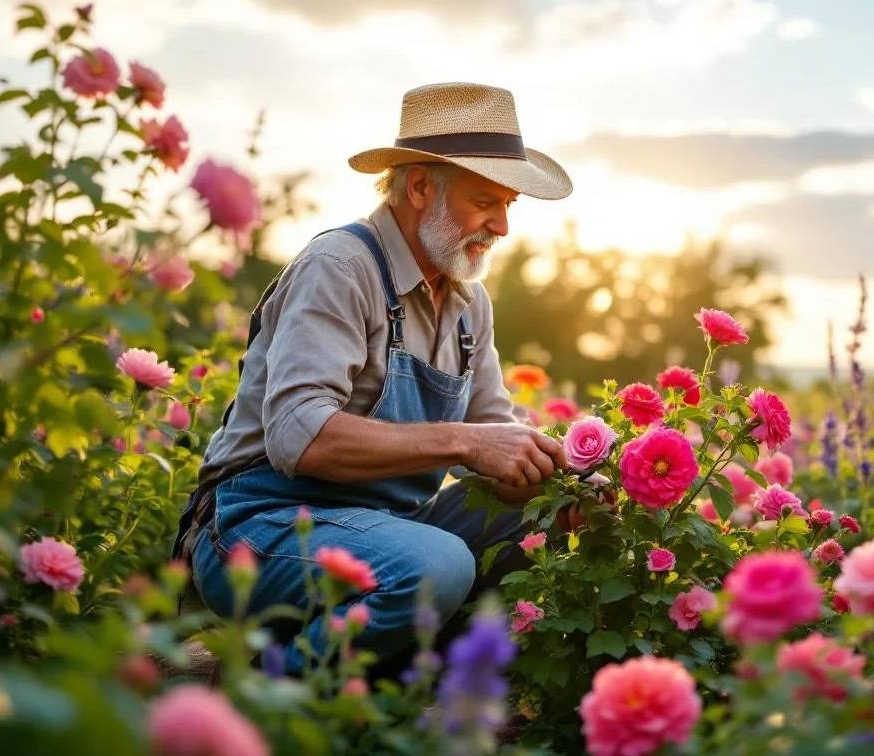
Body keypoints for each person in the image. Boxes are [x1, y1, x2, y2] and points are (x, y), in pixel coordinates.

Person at [171, 82, 585, 678]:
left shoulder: (469, 301)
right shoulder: (340, 267)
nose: (501, 225)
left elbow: (494, 443)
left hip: (387, 530)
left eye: (508, 206)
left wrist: (555, 480)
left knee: (534, 525)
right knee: (437, 565)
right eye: (485, 201)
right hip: (259, 524)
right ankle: (270, 690)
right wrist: (467, 442)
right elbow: (297, 436)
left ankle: (402, 685)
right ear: (419, 187)